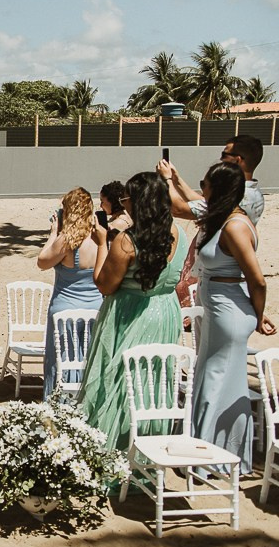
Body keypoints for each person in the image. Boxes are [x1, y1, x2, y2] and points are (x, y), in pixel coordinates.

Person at [77, 172, 189, 451]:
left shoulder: (126, 241)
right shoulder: (179, 232)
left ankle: (114, 449)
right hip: (165, 311)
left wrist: (103, 242)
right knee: (152, 380)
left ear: (138, 202)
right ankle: (149, 445)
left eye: (127, 198)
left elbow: (105, 285)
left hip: (129, 312)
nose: (124, 203)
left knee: (118, 379)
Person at [190, 161, 275, 475]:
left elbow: (258, 279)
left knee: (216, 381)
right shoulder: (223, 219)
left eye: (205, 183)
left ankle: (208, 458)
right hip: (218, 306)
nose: (202, 189)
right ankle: (212, 452)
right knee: (213, 379)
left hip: (228, 309)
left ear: (220, 189)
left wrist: (260, 313)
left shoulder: (236, 226)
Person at [159, 135, 265, 307]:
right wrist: (176, 180)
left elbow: (179, 208)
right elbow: (203, 202)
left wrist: (167, 180)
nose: (221, 159)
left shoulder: (236, 199)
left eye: (225, 155)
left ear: (238, 160)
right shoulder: (253, 193)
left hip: (217, 278)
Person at [36, 188, 103, 397]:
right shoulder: (101, 238)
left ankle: (60, 405)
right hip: (96, 309)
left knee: (61, 360)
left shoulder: (67, 240)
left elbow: (42, 261)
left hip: (65, 310)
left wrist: (53, 232)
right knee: (90, 360)